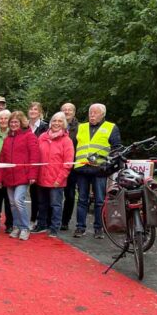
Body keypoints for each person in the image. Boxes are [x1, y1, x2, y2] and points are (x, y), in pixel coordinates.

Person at [73, 103, 121, 239]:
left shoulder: (111, 127)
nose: (92, 115)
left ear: (102, 114)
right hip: (82, 169)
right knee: (82, 200)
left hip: (99, 170)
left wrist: (107, 164)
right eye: (90, 112)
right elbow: (74, 146)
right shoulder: (81, 127)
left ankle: (98, 228)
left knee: (100, 200)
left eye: (95, 112)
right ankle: (80, 227)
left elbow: (116, 148)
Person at [0, 111, 40, 241]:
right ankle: (16, 226)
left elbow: (35, 156)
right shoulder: (7, 139)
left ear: (22, 123)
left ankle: (25, 227)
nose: (14, 124)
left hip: (23, 176)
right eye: (12, 122)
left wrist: (33, 174)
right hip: (9, 177)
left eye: (16, 122)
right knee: (12, 203)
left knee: (18, 201)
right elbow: (2, 159)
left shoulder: (29, 136)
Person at [36, 112, 74, 237]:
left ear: (64, 124)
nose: (56, 123)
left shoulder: (67, 141)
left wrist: (60, 179)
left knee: (56, 205)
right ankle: (41, 225)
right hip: (41, 177)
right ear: (50, 123)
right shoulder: (42, 137)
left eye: (59, 121)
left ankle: (54, 228)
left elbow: (68, 163)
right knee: (41, 204)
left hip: (56, 179)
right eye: (54, 121)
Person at [28, 102, 49, 229]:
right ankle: (32, 219)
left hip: (41, 164)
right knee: (33, 194)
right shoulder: (25, 126)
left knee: (41, 194)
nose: (33, 111)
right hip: (27, 164)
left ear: (40, 112)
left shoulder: (45, 127)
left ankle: (42, 221)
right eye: (31, 109)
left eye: (36, 109)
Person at [60, 102, 80, 231]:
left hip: (72, 166)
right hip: (55, 165)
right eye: (64, 110)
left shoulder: (80, 128)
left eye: (69, 110)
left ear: (74, 112)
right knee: (54, 195)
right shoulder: (56, 124)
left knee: (70, 195)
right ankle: (53, 219)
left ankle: (65, 221)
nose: (67, 112)